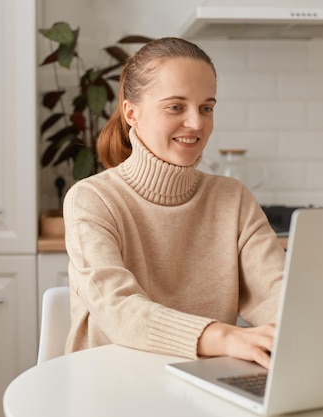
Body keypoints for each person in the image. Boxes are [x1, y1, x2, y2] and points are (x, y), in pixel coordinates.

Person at [62, 37, 285, 369]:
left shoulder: (232, 198)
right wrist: (225, 337)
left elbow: (275, 293)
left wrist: (304, 326)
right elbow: (118, 309)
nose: (196, 123)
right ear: (131, 113)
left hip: (205, 382)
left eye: (206, 107)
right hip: (110, 385)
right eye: (176, 106)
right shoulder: (92, 200)